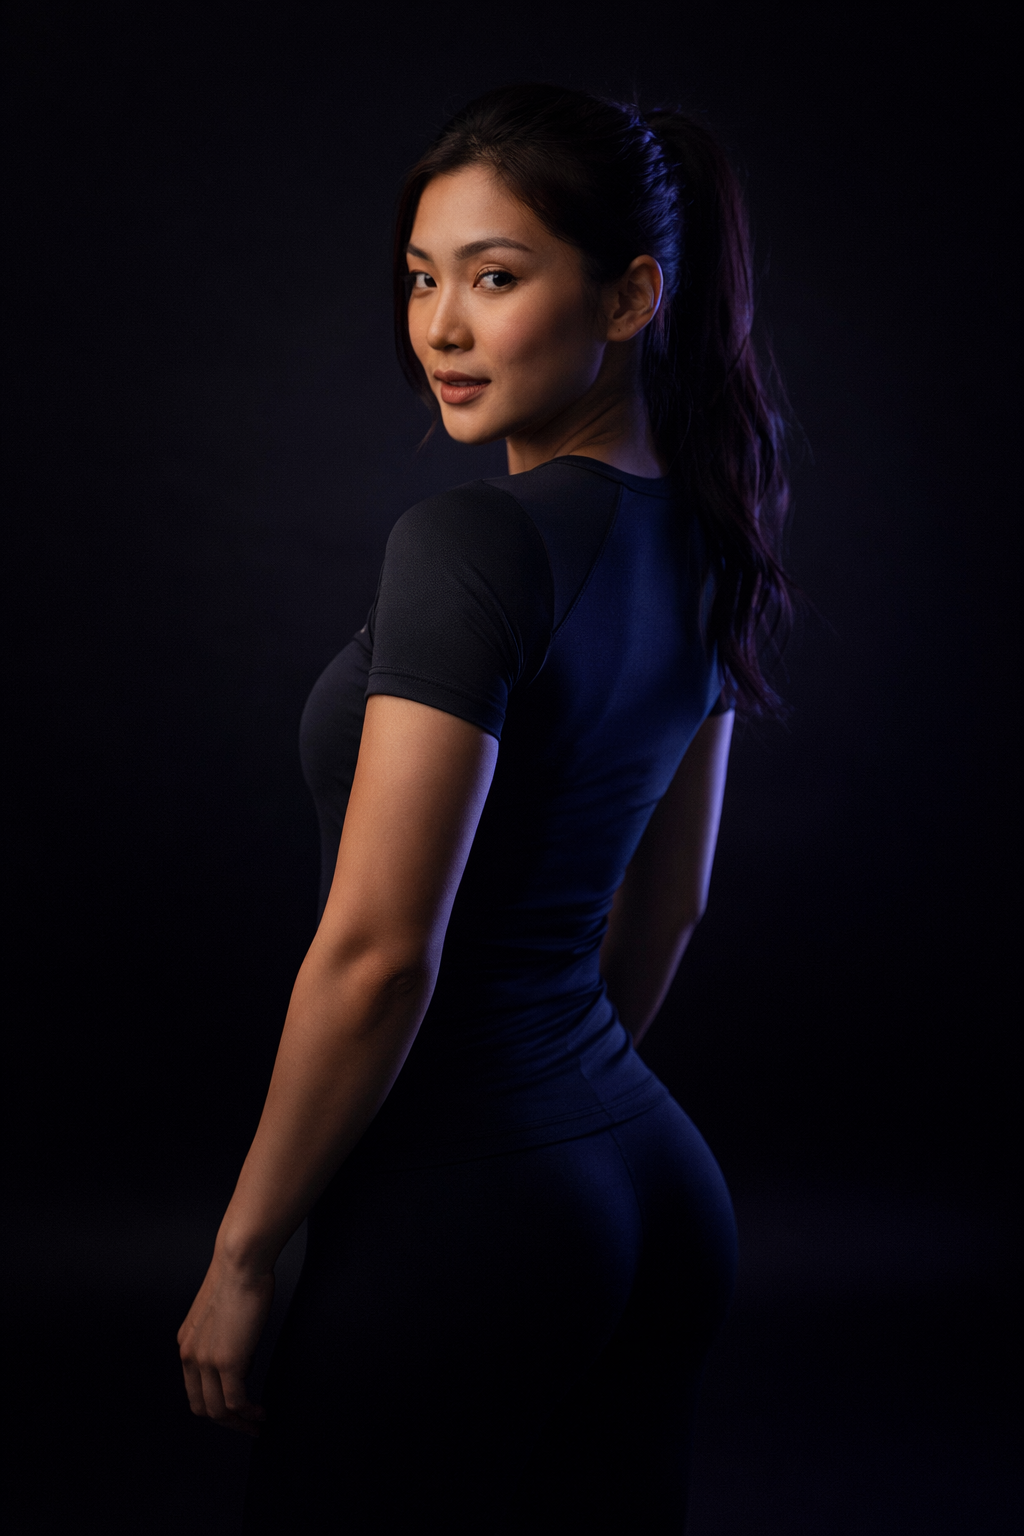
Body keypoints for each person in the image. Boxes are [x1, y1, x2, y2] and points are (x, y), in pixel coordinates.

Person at [177, 82, 792, 1533]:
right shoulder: (712, 533)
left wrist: (247, 1254)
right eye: (421, 278)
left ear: (632, 294)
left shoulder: (470, 543)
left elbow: (380, 949)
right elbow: (672, 904)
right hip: (651, 1183)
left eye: (495, 278)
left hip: (473, 1216)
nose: (441, 327)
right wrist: (564, 1120)